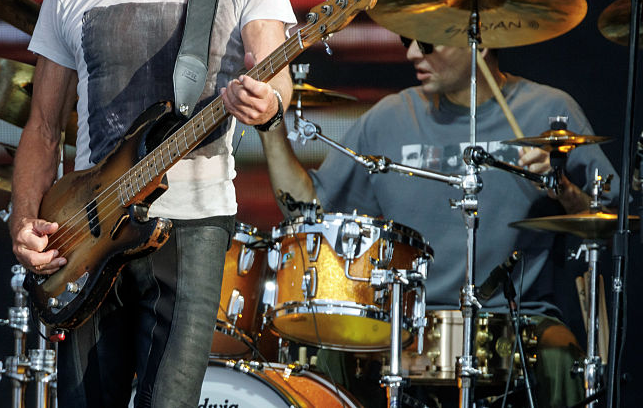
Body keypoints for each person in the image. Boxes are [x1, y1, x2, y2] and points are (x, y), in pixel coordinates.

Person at [8, 0, 296, 408]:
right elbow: (42, 127)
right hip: (87, 228)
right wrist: (23, 223)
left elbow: (276, 78)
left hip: (192, 227)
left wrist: (267, 100)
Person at [257, 35, 617, 407]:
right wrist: (271, 127)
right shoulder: (388, 118)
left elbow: (608, 223)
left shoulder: (549, 111)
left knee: (562, 357)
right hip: (406, 323)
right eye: (407, 40)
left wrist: (563, 188)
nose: (412, 53)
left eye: (427, 43)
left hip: (518, 321)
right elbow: (308, 212)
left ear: (480, 42)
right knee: (330, 358)